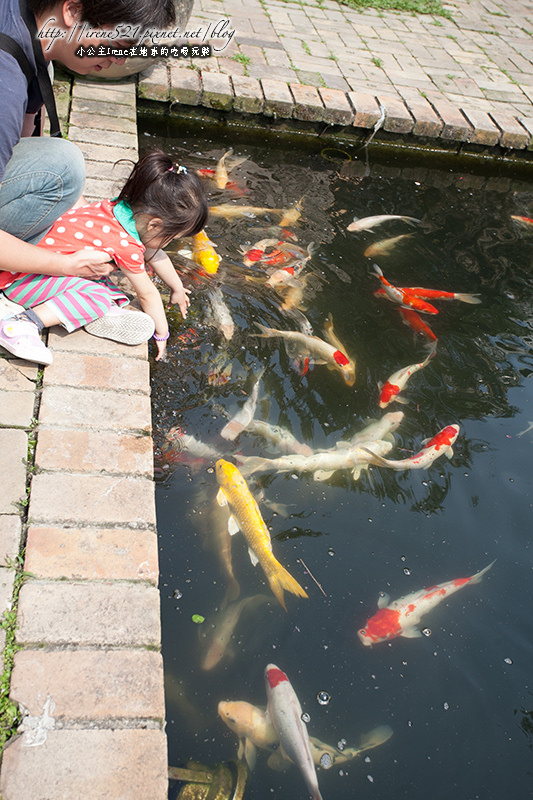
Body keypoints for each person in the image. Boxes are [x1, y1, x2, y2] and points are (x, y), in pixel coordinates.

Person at [0, 0, 176, 345]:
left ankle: (64, 290)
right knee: (62, 167)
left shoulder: (28, 33)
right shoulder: (5, 83)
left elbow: (22, 151)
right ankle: (40, 295)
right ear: (73, 11)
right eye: (118, 46)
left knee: (61, 178)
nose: (120, 62)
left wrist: (79, 212)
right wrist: (64, 265)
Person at [0, 149, 209, 363]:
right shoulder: (126, 244)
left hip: (29, 267)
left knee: (103, 285)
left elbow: (155, 254)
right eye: (171, 238)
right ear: (154, 224)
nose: (168, 243)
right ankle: (23, 323)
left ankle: (95, 309)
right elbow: (148, 294)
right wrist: (162, 334)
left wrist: (176, 288)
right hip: (23, 280)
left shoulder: (117, 209)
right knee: (97, 296)